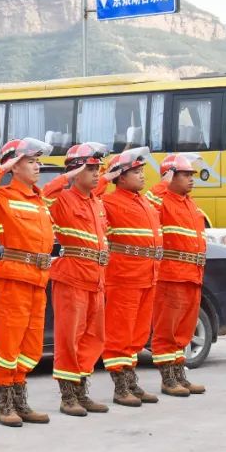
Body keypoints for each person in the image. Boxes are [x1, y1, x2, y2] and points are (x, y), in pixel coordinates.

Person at [0, 137, 55, 427]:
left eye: (37, 161)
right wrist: (2, 166)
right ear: (14, 166)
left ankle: (20, 400)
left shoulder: (40, 199)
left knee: (31, 346)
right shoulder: (4, 195)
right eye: (31, 162)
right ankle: (5, 405)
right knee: (8, 345)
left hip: (38, 279)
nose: (37, 167)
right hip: (14, 279)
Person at [43, 142, 110, 417]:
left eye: (97, 168)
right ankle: (67, 395)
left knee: (93, 337)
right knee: (69, 338)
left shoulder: (97, 202)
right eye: (90, 168)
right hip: (72, 276)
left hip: (96, 278)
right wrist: (67, 176)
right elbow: (42, 196)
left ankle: (82, 388)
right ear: (76, 170)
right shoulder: (62, 199)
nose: (96, 174)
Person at [98, 147, 163, 406]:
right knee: (119, 333)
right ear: (120, 177)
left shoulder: (144, 201)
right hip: (124, 275)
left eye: (142, 171)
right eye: (136, 172)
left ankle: (131, 380)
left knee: (137, 334)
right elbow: (90, 195)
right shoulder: (108, 201)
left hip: (148, 275)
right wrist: (105, 176)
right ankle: (120, 386)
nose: (142, 176)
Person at [151, 153, 208, 396]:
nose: (191, 179)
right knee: (167, 330)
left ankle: (179, 374)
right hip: (172, 276)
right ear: (170, 176)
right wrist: (162, 183)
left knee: (184, 330)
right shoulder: (161, 202)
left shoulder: (190, 204)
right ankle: (167, 379)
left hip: (192, 276)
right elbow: (148, 203)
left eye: (191, 175)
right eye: (185, 174)